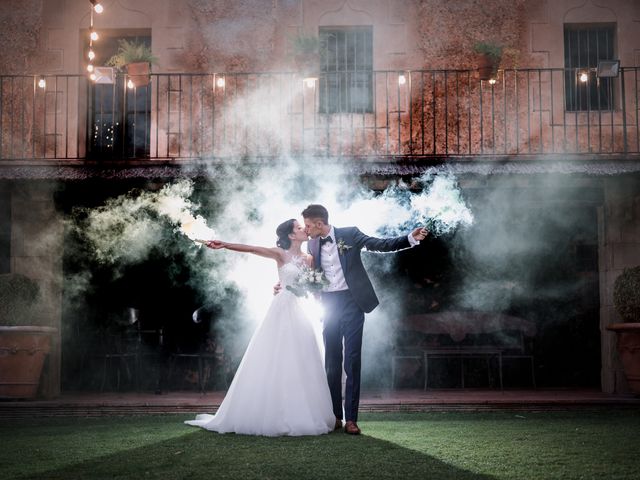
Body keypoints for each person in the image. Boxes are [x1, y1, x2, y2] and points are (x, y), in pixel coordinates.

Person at [184, 219, 335, 436]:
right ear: (291, 235)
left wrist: (312, 287)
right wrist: (225, 244)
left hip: (301, 309)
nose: (304, 229)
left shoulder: (309, 258)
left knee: (302, 357)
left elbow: (311, 286)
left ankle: (302, 411)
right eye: (299, 228)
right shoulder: (281, 254)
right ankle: (270, 413)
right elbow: (254, 249)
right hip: (282, 308)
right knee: (276, 356)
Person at [301, 204, 428, 435]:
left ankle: (351, 419)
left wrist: (410, 238)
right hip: (329, 304)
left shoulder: (349, 234)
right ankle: (335, 417)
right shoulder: (310, 244)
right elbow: (307, 274)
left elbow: (379, 244)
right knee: (331, 362)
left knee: (352, 359)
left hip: (352, 303)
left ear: (319, 223)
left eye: (308, 225)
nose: (306, 230)